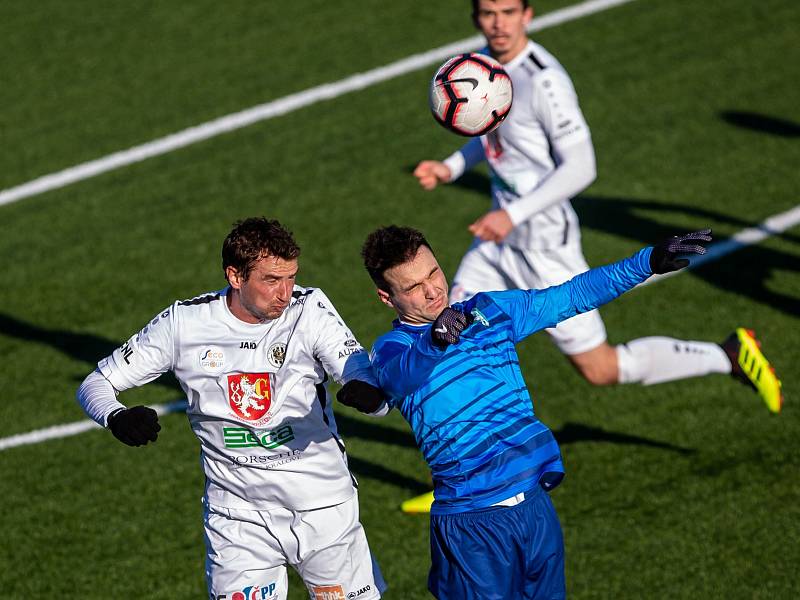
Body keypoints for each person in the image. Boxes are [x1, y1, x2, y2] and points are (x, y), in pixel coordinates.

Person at [413, 0, 782, 413]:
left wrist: (511, 214)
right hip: (495, 247)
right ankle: (463, 471)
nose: (498, 24)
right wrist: (451, 167)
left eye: (508, 11)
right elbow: (492, 135)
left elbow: (582, 167)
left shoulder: (544, 82)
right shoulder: (481, 71)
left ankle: (728, 355)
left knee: (600, 368)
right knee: (441, 335)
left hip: (545, 249)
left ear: (528, 15)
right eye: (488, 13)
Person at [343, 224, 709, 599]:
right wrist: (436, 340)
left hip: (535, 508)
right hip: (473, 526)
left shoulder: (489, 311)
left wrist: (645, 262)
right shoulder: (391, 349)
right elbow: (399, 377)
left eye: (433, 272)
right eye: (412, 287)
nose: (433, 290)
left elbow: (570, 296)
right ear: (387, 298)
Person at [76, 217, 385, 600]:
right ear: (235, 276)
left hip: (323, 509)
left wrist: (370, 397)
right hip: (237, 518)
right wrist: (116, 416)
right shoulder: (183, 324)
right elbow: (96, 383)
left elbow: (367, 386)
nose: (285, 293)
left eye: (290, 278)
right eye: (271, 280)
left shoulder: (310, 310)